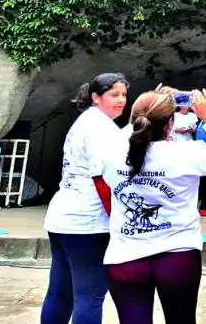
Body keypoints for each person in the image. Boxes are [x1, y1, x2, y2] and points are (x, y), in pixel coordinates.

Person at [102, 87, 206, 324]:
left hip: (126, 254)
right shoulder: (187, 153)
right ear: (171, 123)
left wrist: (149, 104)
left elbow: (126, 136)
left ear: (133, 118)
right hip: (177, 254)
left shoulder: (111, 151)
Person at [41, 73, 128, 324]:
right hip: (87, 223)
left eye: (124, 94)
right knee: (90, 296)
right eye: (114, 95)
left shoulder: (88, 121)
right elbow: (102, 181)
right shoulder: (100, 128)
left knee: (61, 293)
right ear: (96, 97)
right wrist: (118, 219)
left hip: (62, 218)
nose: (121, 100)